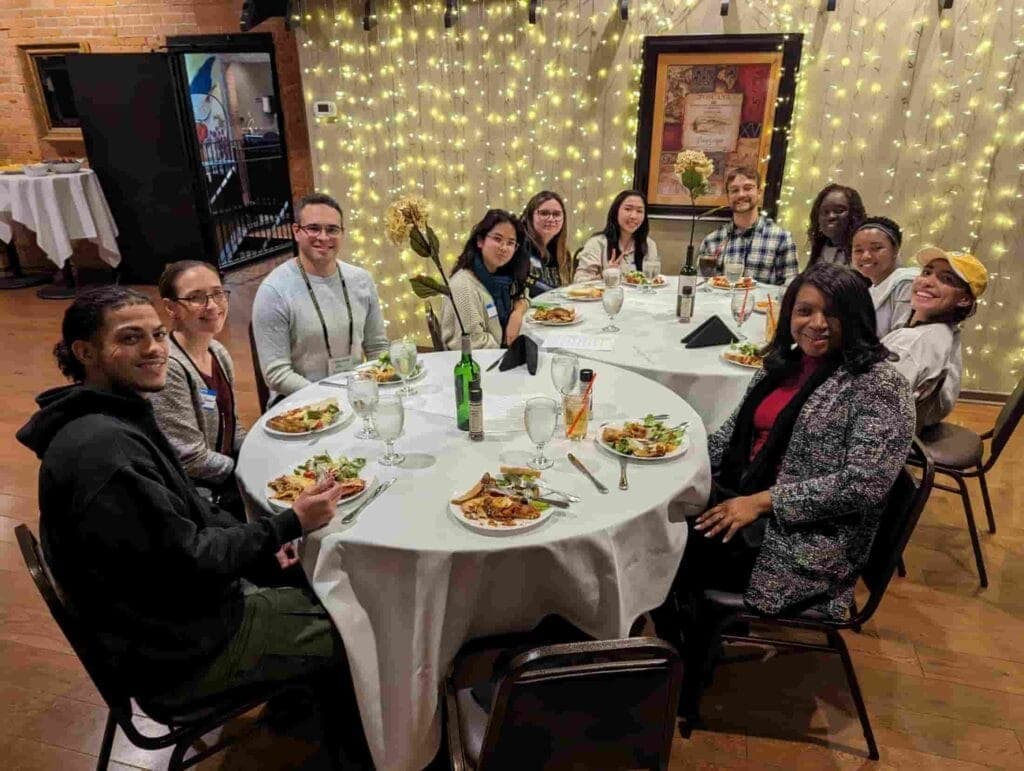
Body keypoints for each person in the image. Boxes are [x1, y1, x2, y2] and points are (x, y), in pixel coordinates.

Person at [16, 286, 371, 765]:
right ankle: (359, 753)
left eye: (159, 334)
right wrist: (290, 522)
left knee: (311, 576)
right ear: (85, 352)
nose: (154, 349)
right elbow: (191, 560)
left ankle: (301, 697)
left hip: (173, 617)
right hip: (183, 653)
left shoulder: (109, 416)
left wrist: (270, 540)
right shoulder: (104, 454)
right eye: (131, 338)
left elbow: (191, 516)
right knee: (362, 622)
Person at [657, 263, 915, 719]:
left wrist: (762, 502)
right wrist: (676, 458)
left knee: (670, 543)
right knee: (660, 512)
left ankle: (676, 672)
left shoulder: (880, 386)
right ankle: (674, 642)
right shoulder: (783, 365)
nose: (816, 324)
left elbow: (864, 484)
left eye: (831, 313)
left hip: (805, 537)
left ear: (855, 317)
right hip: (748, 496)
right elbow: (729, 436)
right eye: (805, 311)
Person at [252, 192, 388, 403]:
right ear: (296, 231)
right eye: (314, 228)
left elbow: (377, 347)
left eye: (332, 229)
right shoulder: (274, 290)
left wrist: (369, 386)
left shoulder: (361, 280)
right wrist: (329, 398)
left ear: (342, 233)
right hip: (301, 404)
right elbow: (276, 374)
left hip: (356, 394)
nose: (323, 237)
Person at [149, 260, 246, 517]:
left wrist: (259, 453)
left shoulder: (217, 351)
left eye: (217, 293)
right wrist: (249, 471)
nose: (212, 306)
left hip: (223, 473)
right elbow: (191, 460)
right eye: (196, 298)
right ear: (171, 308)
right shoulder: (169, 369)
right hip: (196, 495)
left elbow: (232, 424)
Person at [882, 247, 987, 428]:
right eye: (927, 272)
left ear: (964, 300)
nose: (927, 282)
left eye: (946, 279)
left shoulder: (913, 343)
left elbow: (874, 410)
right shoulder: (946, 332)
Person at [441, 209, 529, 350]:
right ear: (480, 241)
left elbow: (525, 296)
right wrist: (508, 353)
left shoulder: (502, 276)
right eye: (497, 239)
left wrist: (517, 313)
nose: (504, 248)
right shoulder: (464, 285)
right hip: (477, 363)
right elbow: (473, 343)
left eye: (510, 243)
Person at [696, 167, 798, 285]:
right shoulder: (712, 241)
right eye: (734, 190)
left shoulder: (782, 239)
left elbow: (790, 289)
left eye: (748, 188)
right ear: (728, 197)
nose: (741, 194)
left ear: (759, 193)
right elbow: (701, 287)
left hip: (762, 303)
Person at [851, 216, 918, 336]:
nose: (866, 256)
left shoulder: (907, 282)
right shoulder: (867, 292)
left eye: (876, 248)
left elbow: (902, 338)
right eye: (858, 250)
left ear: (895, 250)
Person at [573, 189, 658, 282]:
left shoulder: (649, 245)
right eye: (628, 209)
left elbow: (652, 281)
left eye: (639, 211)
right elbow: (579, 281)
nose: (634, 216)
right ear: (615, 211)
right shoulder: (597, 243)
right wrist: (605, 275)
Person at [521, 190, 572, 296]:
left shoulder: (563, 254)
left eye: (557, 214)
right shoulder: (519, 247)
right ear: (530, 216)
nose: (551, 219)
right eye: (544, 213)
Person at [806, 183, 866, 267]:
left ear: (854, 214)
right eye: (825, 212)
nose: (831, 216)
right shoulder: (818, 252)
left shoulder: (864, 254)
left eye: (839, 210)